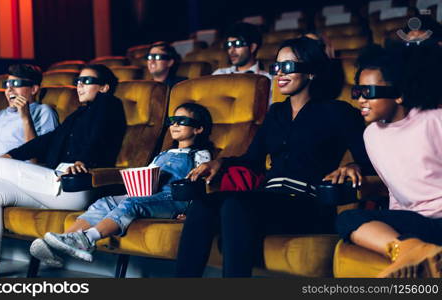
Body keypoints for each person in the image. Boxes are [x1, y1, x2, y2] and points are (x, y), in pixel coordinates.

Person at [175, 37, 374, 277]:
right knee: (203, 205)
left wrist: (353, 165)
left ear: (311, 72)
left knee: (236, 204)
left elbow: (370, 159)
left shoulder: (338, 111)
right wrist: (219, 163)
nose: (279, 73)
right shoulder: (276, 112)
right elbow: (252, 160)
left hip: (308, 204)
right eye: (277, 67)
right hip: (268, 198)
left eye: (288, 66)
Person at [0, 64, 127, 277]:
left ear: (104, 88)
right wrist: (5, 157)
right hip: (54, 185)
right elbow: (43, 142)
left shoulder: (108, 104)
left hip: (76, 183)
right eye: (77, 80)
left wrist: (83, 160)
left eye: (86, 81)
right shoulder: (78, 115)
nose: (79, 85)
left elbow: (99, 138)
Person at [29, 102, 213, 267]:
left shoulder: (201, 155)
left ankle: (87, 239)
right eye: (173, 120)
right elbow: (147, 178)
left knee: (132, 203)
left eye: (182, 121)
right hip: (150, 195)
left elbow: (200, 184)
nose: (175, 124)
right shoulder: (161, 154)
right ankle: (63, 240)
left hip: (173, 199)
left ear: (198, 129)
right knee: (106, 201)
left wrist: (192, 210)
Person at [336, 45, 442, 278]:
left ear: (399, 94)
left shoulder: (434, 121)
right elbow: (395, 190)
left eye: (369, 92)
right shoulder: (371, 135)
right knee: (347, 219)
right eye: (357, 92)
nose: (361, 100)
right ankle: (410, 250)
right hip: (415, 222)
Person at [0, 64, 59, 199]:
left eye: (16, 84)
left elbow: (38, 159)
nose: (9, 90)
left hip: (8, 175)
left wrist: (25, 117)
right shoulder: (1, 115)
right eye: (7, 84)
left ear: (34, 89)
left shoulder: (44, 111)